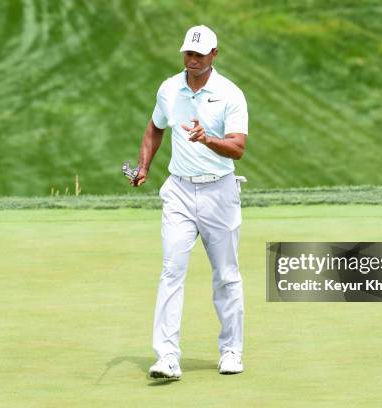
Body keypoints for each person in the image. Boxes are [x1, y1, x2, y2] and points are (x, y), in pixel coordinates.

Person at [130, 25, 248, 379]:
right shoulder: (169, 89)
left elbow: (238, 148)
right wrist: (144, 166)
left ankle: (231, 351)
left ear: (214, 54)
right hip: (179, 191)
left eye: (200, 54)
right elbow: (155, 127)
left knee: (226, 276)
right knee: (171, 271)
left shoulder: (230, 94)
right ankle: (167, 357)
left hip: (219, 192)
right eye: (188, 53)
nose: (192, 60)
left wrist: (207, 139)